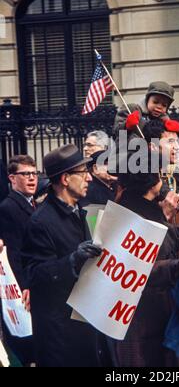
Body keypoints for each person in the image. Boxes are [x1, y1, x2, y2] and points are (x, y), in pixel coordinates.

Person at [112, 163, 179, 368]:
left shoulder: (146, 208)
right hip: (142, 319)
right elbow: (137, 269)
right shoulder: (133, 215)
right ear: (150, 183)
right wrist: (176, 266)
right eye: (158, 175)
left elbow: (176, 236)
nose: (162, 180)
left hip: (160, 310)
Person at [22, 144, 107, 367]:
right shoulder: (40, 222)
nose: (89, 178)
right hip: (61, 338)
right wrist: (72, 260)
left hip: (86, 325)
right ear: (66, 179)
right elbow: (35, 274)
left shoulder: (83, 210)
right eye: (83, 173)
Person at [0, 155, 37, 366]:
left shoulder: (33, 204)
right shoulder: (8, 208)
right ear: (12, 179)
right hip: (24, 286)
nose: (31, 179)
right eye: (25, 174)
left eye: (34, 173)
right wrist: (25, 286)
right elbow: (13, 253)